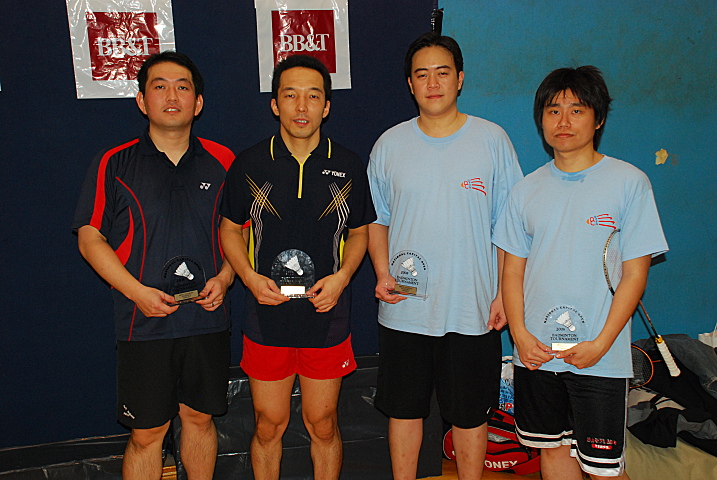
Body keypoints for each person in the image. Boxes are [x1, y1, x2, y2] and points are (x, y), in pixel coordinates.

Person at [493, 66, 669, 480]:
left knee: (604, 471)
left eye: (577, 110)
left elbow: (635, 276)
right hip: (537, 355)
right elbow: (512, 272)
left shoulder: (630, 183)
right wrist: (521, 336)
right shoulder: (525, 190)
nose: (564, 121)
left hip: (599, 357)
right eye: (553, 111)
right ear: (541, 119)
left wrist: (602, 344)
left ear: (599, 118)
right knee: (552, 453)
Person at [367, 32, 523, 480]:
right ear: (410, 84)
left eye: (442, 73)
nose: (432, 83)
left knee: (471, 415)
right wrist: (381, 273)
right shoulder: (389, 145)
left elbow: (511, 226)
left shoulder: (492, 140)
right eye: (422, 75)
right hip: (406, 307)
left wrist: (503, 294)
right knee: (404, 410)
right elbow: (376, 220)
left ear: (460, 79)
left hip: (472, 308)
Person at [72, 51, 235, 480]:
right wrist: (137, 293)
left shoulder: (224, 161)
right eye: (159, 87)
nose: (172, 96)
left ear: (198, 102)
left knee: (200, 419)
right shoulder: (114, 162)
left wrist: (226, 277)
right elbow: (90, 237)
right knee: (147, 434)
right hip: (143, 324)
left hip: (207, 320)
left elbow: (240, 234)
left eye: (183, 87)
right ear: (142, 101)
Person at [219, 54, 376, 480]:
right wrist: (248, 278)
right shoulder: (250, 163)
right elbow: (229, 229)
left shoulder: (348, 164)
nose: (301, 106)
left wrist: (343, 278)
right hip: (267, 314)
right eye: (290, 95)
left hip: (326, 314)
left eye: (313, 96)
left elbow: (360, 232)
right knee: (268, 425)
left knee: (322, 423)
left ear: (327, 106)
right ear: (275, 104)